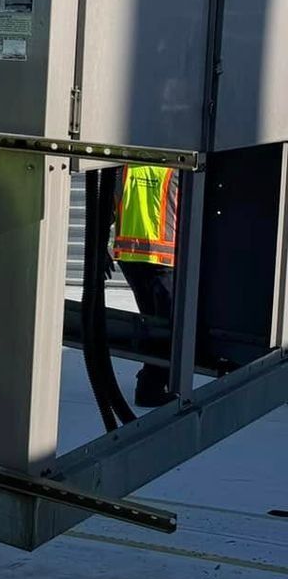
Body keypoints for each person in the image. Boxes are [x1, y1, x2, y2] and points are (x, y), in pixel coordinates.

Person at [113, 164, 179, 407]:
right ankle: (150, 387)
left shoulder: (126, 166)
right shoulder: (177, 166)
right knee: (166, 326)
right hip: (163, 260)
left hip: (130, 258)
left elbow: (107, 204)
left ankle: (152, 377)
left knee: (154, 321)